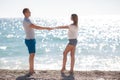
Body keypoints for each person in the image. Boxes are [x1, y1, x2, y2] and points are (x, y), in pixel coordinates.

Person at [22, 8, 51, 76]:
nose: (30, 12)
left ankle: (31, 69)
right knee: (32, 55)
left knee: (32, 55)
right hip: (30, 40)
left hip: (31, 39)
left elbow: (35, 26)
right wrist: (46, 28)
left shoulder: (28, 20)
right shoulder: (26, 21)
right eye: (29, 12)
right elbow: (36, 27)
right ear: (25, 13)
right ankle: (31, 70)